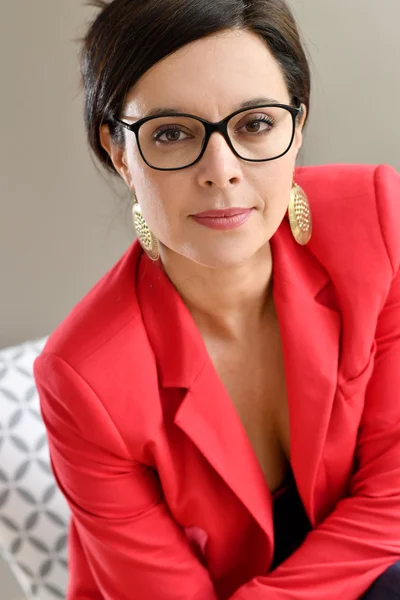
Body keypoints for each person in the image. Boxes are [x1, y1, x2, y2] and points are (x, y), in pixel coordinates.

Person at [33, 0, 400, 598]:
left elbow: (394, 497)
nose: (221, 170)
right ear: (119, 152)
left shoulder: (380, 223)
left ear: (297, 124)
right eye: (172, 134)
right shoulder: (83, 378)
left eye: (256, 123)